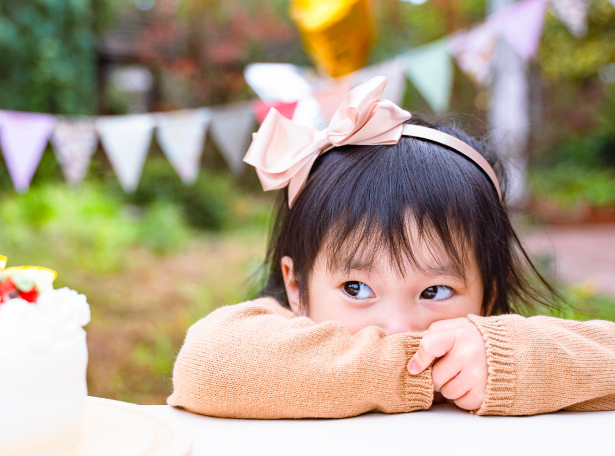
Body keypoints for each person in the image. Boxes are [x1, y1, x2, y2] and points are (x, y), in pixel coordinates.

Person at [168, 76, 615, 418]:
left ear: (491, 291)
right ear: (297, 284)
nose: (398, 328)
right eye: (357, 288)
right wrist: (418, 369)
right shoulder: (275, 336)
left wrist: (505, 357)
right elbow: (207, 365)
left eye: (434, 291)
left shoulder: (493, 358)